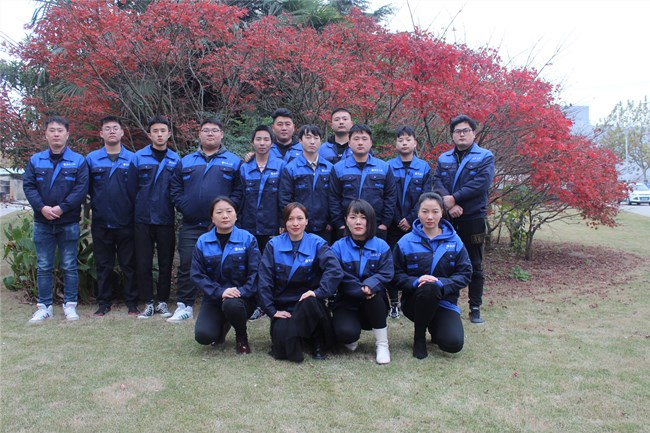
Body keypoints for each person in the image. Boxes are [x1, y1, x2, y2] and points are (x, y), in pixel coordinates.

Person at [168, 117, 243, 323]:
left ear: (222, 135)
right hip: (191, 223)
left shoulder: (234, 161)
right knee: (187, 262)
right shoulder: (185, 161)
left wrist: (227, 213)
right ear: (199, 134)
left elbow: (239, 191)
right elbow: (175, 188)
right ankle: (185, 305)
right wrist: (185, 207)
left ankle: (224, 301)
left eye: (215, 130)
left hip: (222, 226)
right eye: (206, 130)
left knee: (224, 263)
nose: (210, 133)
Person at [23, 116, 89, 323]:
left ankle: (70, 305)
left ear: (67, 134)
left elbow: (81, 189)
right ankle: (44, 307)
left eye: (60, 130)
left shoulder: (78, 161)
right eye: (52, 130)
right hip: (42, 222)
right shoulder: (36, 160)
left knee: (69, 265)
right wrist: (42, 208)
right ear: (46, 134)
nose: (56, 134)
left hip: (68, 222)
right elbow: (29, 186)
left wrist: (62, 208)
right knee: (44, 266)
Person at [258, 203, 343, 363]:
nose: (295, 223)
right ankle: (294, 338)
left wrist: (318, 292)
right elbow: (264, 279)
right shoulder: (273, 245)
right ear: (285, 222)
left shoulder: (317, 243)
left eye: (300, 218)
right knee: (281, 352)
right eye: (290, 219)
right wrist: (271, 310)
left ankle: (317, 342)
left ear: (306, 221)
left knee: (310, 302)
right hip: (284, 308)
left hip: (309, 304)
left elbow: (335, 271)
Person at [393, 192, 472, 359]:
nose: (430, 217)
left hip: (445, 302)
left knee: (453, 344)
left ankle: (435, 327)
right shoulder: (405, 242)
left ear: (442, 212)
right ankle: (419, 338)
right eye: (425, 211)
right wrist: (416, 281)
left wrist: (441, 283)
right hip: (414, 302)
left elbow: (465, 273)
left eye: (435, 211)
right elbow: (395, 275)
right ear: (418, 212)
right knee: (428, 288)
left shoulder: (455, 241)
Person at [433, 115, 495, 324]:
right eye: (457, 131)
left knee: (475, 263)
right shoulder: (444, 158)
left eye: (466, 130)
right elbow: (437, 181)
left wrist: (455, 198)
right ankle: (448, 303)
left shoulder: (485, 156)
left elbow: (481, 183)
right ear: (452, 135)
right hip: (449, 217)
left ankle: (475, 307)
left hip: (473, 218)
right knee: (446, 261)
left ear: (474, 133)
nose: (461, 134)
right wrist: (450, 204)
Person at [192, 197, 261, 354]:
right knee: (204, 336)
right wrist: (220, 292)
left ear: (236, 215)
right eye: (219, 212)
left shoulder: (248, 239)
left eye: (229, 211)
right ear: (212, 218)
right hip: (214, 297)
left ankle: (241, 337)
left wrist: (240, 292)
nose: (225, 216)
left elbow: (256, 273)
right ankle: (223, 324)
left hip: (242, 299)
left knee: (232, 305)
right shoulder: (203, 241)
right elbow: (197, 274)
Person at [86, 116, 138, 316]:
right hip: (101, 222)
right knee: (103, 265)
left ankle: (132, 303)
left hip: (127, 221)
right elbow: (88, 188)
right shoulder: (92, 159)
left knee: (129, 265)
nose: (111, 131)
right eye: (107, 128)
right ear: (101, 133)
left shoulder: (133, 159)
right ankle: (103, 303)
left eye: (115, 128)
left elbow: (137, 189)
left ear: (122, 132)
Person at [331, 200, 394, 364]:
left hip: (373, 303)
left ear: (370, 220)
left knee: (373, 296)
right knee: (344, 333)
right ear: (346, 220)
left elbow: (387, 273)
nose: (358, 222)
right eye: (353, 217)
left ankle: (382, 345)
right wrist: (360, 288)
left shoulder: (381, 246)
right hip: (346, 301)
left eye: (363, 217)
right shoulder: (337, 247)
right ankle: (351, 336)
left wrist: (370, 285)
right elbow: (337, 274)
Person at [132, 116, 180, 319]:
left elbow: (178, 188)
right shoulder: (138, 157)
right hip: (142, 218)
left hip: (165, 218)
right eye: (155, 131)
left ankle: (162, 301)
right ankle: (148, 302)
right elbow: (131, 188)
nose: (159, 134)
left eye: (163, 131)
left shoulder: (176, 159)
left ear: (169, 134)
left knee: (165, 262)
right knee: (143, 262)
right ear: (149, 134)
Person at [386, 125, 432, 319]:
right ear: (395, 144)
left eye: (408, 139)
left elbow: (425, 197)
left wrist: (411, 218)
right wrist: (397, 219)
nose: (404, 143)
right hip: (393, 224)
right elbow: (387, 196)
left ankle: (410, 299)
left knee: (413, 262)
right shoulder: (388, 166)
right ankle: (393, 303)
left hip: (415, 225)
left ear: (415, 143)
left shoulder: (424, 167)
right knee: (391, 262)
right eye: (400, 140)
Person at [329, 123, 397, 241]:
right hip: (347, 227)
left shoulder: (384, 167)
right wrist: (340, 224)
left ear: (371, 142)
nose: (360, 142)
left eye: (364, 139)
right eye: (356, 139)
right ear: (349, 143)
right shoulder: (338, 168)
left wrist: (385, 224)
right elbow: (333, 197)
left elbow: (390, 196)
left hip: (376, 226)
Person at [279, 124, 334, 244]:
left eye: (316, 138)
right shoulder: (291, 168)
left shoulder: (329, 168)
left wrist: (331, 221)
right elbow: (285, 199)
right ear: (300, 141)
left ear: (320, 141)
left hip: (325, 227)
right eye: (308, 137)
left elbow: (333, 197)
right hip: (299, 226)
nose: (312, 141)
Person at [238, 125, 285, 254]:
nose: (262, 143)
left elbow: (284, 197)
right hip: (248, 226)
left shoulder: (281, 166)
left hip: (273, 226)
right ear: (253, 142)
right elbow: (240, 198)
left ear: (272, 142)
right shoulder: (244, 168)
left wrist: (283, 222)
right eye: (258, 139)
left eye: (266, 139)